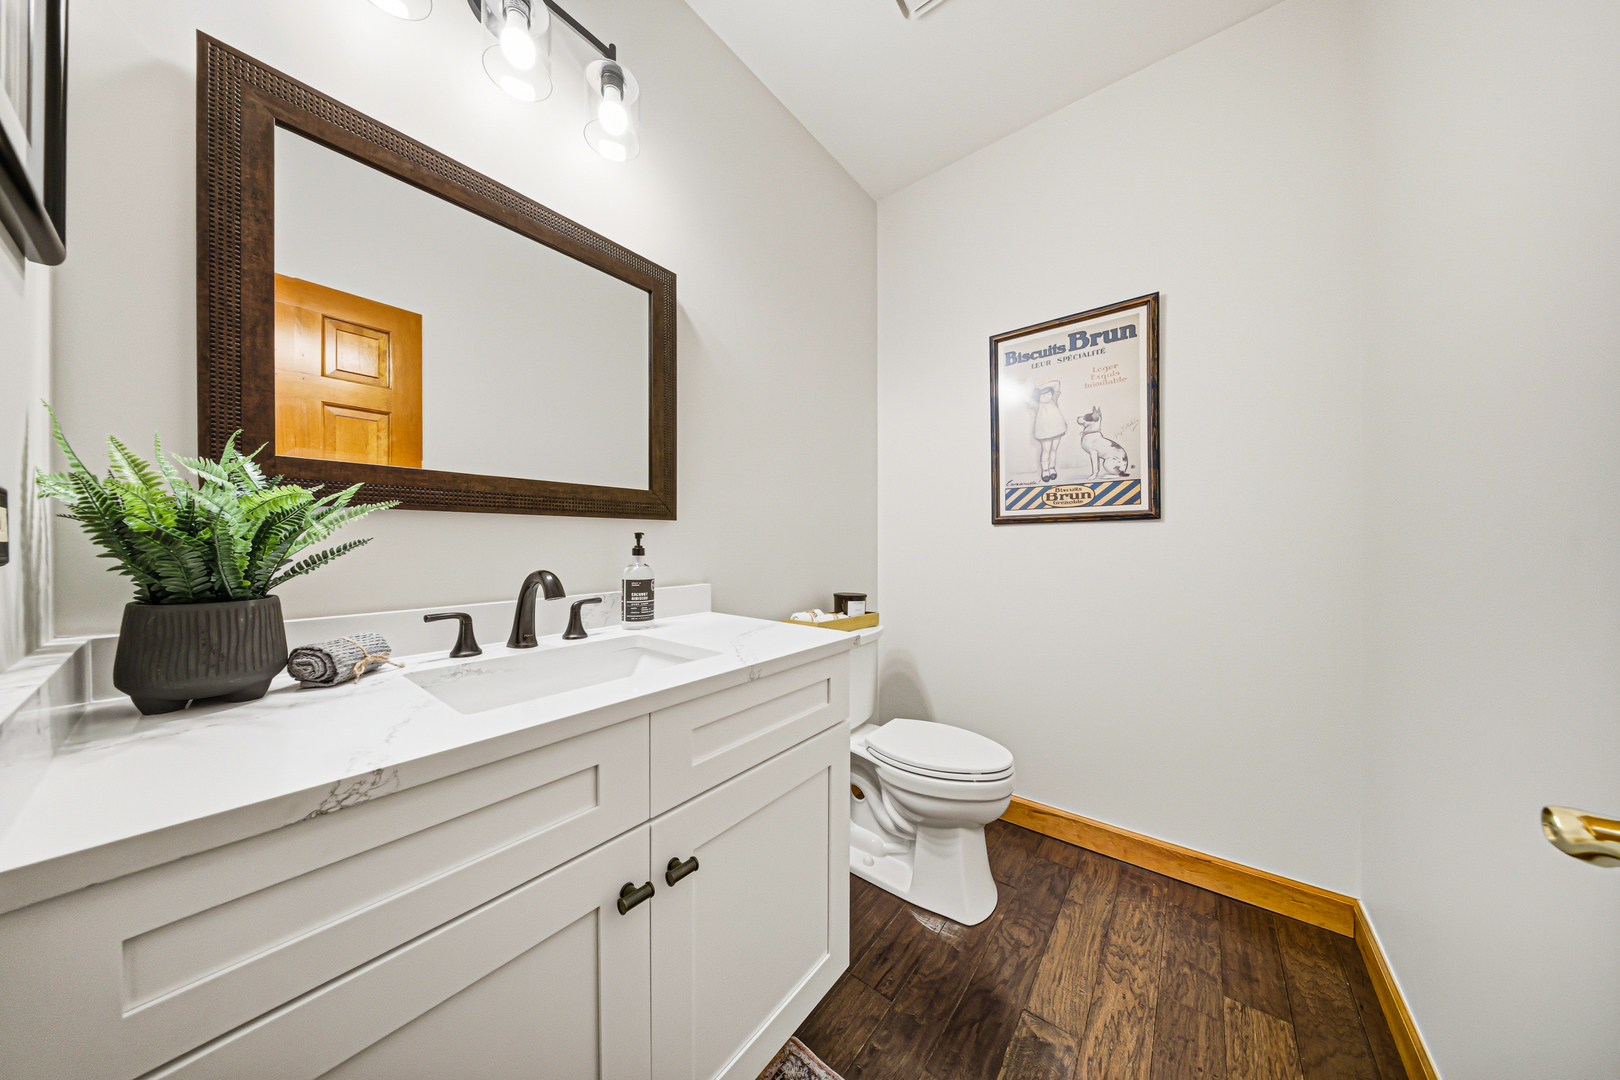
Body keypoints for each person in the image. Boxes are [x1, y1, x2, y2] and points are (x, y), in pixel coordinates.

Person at [1030, 379, 1067, 482]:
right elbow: (1026, 399)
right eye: (1043, 395)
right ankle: (1045, 470)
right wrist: (1037, 388)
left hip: (1058, 428)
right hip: (1045, 431)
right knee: (1046, 450)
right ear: (1038, 397)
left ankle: (1052, 468)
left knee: (1054, 449)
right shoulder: (1037, 405)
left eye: (1048, 394)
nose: (1047, 396)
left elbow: (1057, 384)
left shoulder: (1054, 399)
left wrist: (1043, 385)